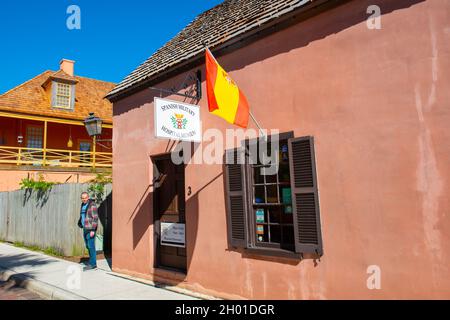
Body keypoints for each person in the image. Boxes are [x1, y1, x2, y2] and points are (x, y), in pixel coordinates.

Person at [77, 192, 99, 271]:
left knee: (91, 246)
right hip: (85, 228)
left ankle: (93, 264)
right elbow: (83, 215)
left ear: (88, 197)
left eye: (85, 198)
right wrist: (80, 222)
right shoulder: (82, 205)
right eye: (82, 198)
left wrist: (93, 230)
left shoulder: (92, 205)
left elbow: (95, 218)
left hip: (90, 229)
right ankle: (91, 262)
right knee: (87, 245)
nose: (84, 199)